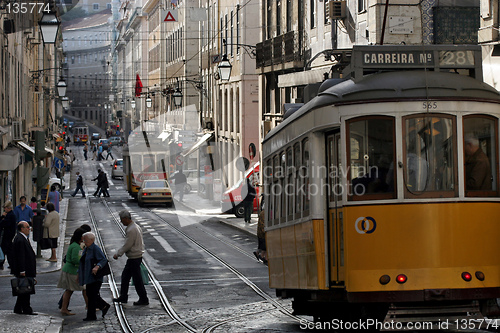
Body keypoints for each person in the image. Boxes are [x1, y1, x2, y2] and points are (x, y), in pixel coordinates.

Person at [112, 210, 149, 306]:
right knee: (126, 277)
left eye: (122, 219)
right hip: (135, 256)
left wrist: (118, 254)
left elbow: (128, 244)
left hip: (134, 257)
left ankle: (143, 298)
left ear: (126, 219)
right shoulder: (135, 226)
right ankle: (124, 296)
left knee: (136, 279)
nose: (121, 221)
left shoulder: (131, 229)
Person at [78, 232, 110, 321]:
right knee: (90, 294)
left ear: (92, 240)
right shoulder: (86, 249)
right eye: (84, 240)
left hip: (95, 277)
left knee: (92, 295)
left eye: (86, 240)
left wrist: (97, 266)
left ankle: (92, 315)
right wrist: (79, 274)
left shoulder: (95, 249)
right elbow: (83, 262)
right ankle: (101, 307)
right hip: (88, 276)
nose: (84, 242)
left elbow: (103, 259)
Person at [57, 227, 86, 316]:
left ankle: (64, 308)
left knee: (70, 290)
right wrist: (84, 261)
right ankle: (89, 306)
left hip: (70, 270)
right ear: (80, 237)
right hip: (72, 271)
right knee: (83, 289)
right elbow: (74, 259)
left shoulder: (75, 245)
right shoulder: (76, 247)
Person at [11, 221, 37, 315]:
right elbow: (21, 256)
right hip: (25, 270)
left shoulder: (22, 238)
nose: (29, 229)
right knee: (25, 289)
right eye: (27, 227)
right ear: (22, 229)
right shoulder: (20, 239)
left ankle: (18, 308)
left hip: (26, 269)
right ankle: (26, 309)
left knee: (23, 290)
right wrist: (22, 270)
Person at [0, 201, 16, 270]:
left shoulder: (10, 215)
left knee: (5, 250)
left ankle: (1, 264)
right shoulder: (10, 215)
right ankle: (11, 264)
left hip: (8, 235)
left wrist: (2, 217)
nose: (4, 209)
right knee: (9, 250)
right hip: (9, 235)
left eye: (5, 208)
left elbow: (3, 223)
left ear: (8, 208)